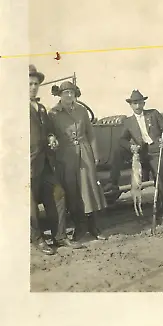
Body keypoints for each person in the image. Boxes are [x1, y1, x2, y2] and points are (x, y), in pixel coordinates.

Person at [29, 65, 83, 255]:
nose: (33, 87)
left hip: (44, 165)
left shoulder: (42, 108)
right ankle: (38, 240)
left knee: (58, 194)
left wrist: (51, 137)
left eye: (36, 84)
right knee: (30, 205)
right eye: (29, 84)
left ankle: (59, 236)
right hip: (26, 166)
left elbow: (49, 130)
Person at [48, 81, 107, 241]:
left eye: (71, 93)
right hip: (65, 157)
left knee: (90, 190)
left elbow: (90, 133)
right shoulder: (53, 113)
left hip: (85, 154)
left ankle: (94, 227)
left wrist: (95, 154)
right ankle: (80, 228)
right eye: (65, 93)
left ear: (75, 95)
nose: (69, 95)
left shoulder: (81, 111)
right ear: (59, 95)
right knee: (72, 193)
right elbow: (49, 133)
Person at [105, 89, 163, 225]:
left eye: (139, 103)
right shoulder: (128, 122)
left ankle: (160, 214)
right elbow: (122, 139)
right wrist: (131, 147)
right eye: (134, 103)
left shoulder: (154, 114)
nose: (137, 106)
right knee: (118, 150)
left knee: (159, 181)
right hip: (140, 153)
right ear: (130, 105)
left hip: (155, 151)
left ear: (143, 103)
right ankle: (113, 181)